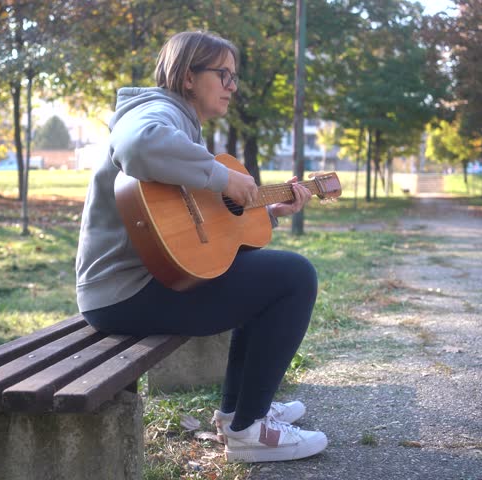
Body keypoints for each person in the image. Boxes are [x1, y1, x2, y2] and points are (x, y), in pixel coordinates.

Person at [75, 30, 327, 463]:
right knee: (294, 276)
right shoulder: (157, 112)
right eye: (223, 75)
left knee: (268, 279)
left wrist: (268, 211)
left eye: (235, 78)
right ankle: (250, 432)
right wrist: (224, 176)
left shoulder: (182, 125)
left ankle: (242, 412)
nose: (232, 86)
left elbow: (196, 225)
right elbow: (137, 144)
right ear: (188, 78)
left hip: (143, 283)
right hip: (124, 293)